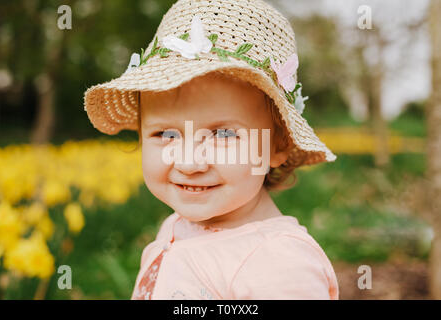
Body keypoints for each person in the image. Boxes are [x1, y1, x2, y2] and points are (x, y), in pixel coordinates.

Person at [84, 0, 339, 300]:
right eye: (166, 133)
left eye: (222, 134)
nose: (190, 163)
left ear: (278, 144)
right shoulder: (176, 226)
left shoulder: (279, 264)